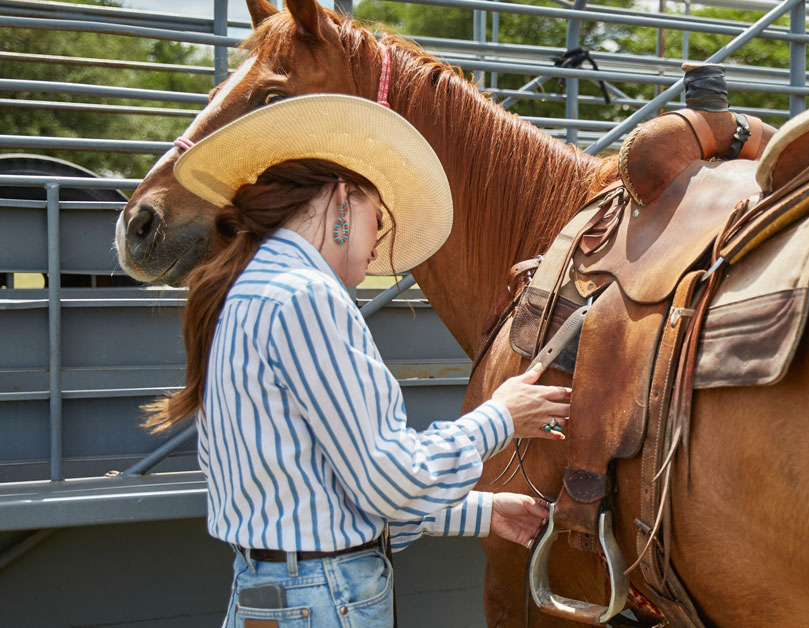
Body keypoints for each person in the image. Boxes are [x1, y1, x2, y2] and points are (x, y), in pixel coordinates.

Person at [143, 94, 568, 627]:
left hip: (269, 595)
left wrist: (481, 513)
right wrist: (501, 416)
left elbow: (325, 488)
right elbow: (388, 478)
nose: (379, 244)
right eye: (378, 219)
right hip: (324, 600)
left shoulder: (246, 291)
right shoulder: (306, 297)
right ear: (342, 200)